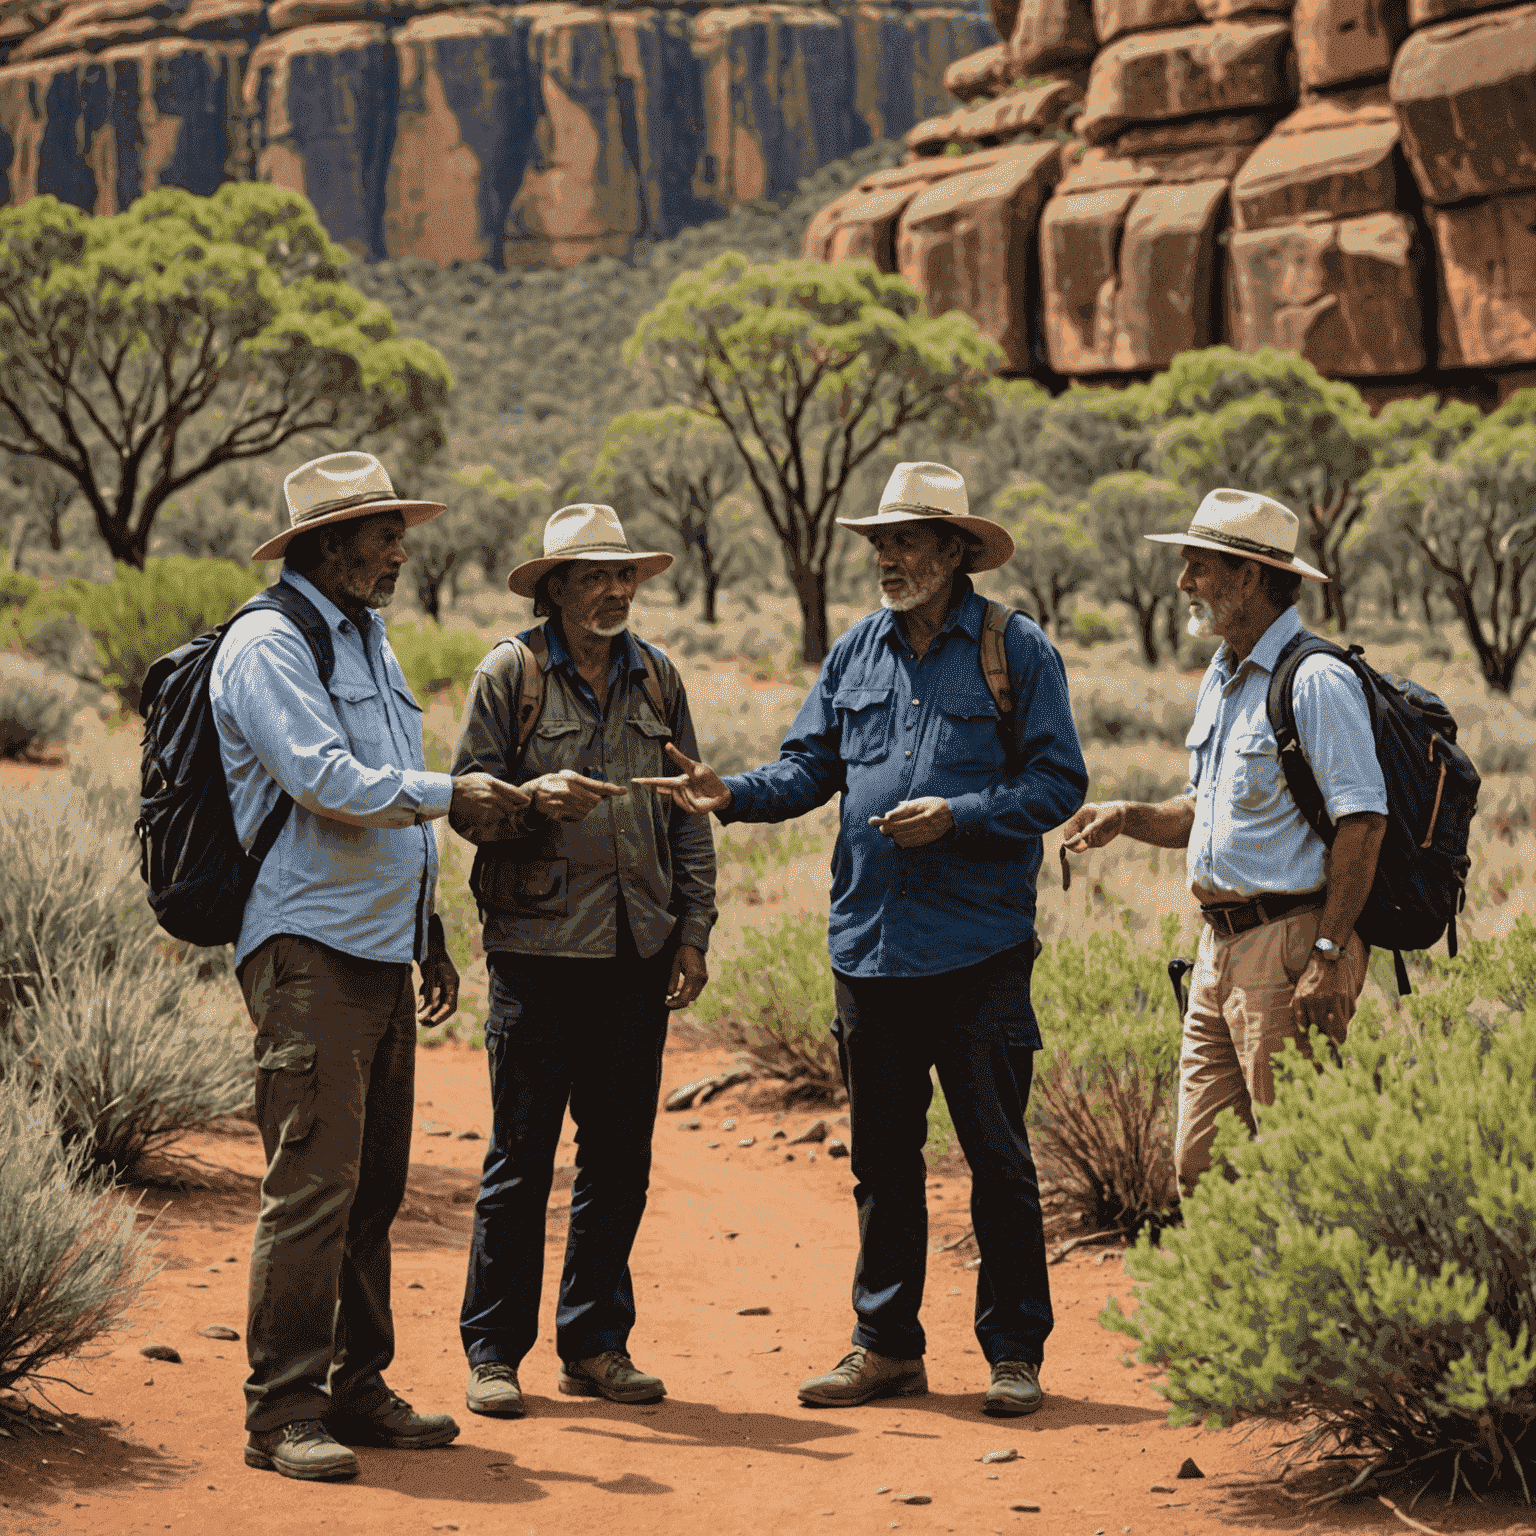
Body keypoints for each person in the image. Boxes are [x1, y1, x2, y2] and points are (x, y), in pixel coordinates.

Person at [637, 462, 1087, 1418]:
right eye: (880, 541)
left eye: (907, 540)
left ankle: (1013, 1353)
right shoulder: (856, 653)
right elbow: (810, 768)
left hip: (980, 953)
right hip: (871, 949)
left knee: (997, 1160)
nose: (887, 557)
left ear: (956, 550)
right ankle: (885, 1348)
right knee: (882, 1163)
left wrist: (959, 816)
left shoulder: (1019, 650)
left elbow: (1059, 785)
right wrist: (732, 795)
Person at [210, 452, 529, 1481]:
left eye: (398, 530)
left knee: (373, 1186)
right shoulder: (268, 642)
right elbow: (324, 779)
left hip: (379, 945)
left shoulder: (367, 635)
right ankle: (282, 1411)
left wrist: (426, 929)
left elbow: (386, 803)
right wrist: (459, 794)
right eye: (380, 532)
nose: (398, 549)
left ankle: (355, 1385)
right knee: (312, 1184)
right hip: (306, 944)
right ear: (322, 541)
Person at [452, 504, 718, 1420]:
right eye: (596, 576)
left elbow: (691, 806)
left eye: (627, 576)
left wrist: (694, 928)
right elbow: (465, 807)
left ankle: (596, 1343)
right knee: (520, 1159)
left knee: (619, 1159)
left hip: (636, 949)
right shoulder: (510, 674)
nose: (616, 590)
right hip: (536, 955)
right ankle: (493, 1353)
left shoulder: (658, 677)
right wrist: (531, 800)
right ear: (556, 588)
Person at [1060, 488, 1387, 1196]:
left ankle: (1311, 1308)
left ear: (1248, 577)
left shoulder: (1317, 680)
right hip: (1220, 953)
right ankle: (1233, 1303)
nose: (1183, 583)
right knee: (1204, 1168)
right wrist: (1127, 815)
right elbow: (1201, 810)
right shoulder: (1225, 675)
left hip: (1293, 945)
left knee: (1301, 1167)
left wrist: (1328, 954)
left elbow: (1364, 822)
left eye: (1198, 566)